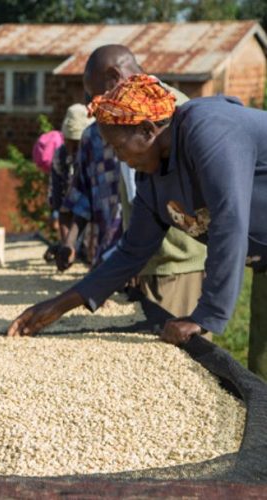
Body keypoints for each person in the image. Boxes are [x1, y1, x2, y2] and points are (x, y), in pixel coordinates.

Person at [7, 74, 267, 381]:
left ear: (147, 130)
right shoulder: (151, 179)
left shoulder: (207, 130)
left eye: (119, 147)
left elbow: (229, 220)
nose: (119, 158)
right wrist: (60, 305)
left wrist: (204, 316)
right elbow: (132, 251)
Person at [62, 45, 206, 318]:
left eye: (99, 96)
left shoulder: (168, 107)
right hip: (147, 259)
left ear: (115, 77)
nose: (100, 107)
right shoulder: (127, 113)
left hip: (175, 263)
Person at [44, 104, 93, 260]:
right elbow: (60, 204)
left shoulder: (94, 158)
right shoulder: (60, 156)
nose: (72, 149)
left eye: (76, 143)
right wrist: (67, 246)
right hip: (72, 213)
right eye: (69, 142)